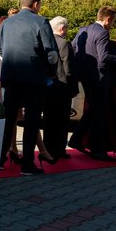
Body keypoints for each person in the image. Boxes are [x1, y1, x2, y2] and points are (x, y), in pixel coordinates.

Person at [0, 0, 58, 175]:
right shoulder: (41, 22)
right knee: (31, 120)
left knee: (8, 119)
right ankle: (27, 164)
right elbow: (52, 54)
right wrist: (51, 72)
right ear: (36, 4)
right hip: (33, 78)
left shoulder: (6, 23)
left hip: (10, 76)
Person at [69, 6, 116, 162]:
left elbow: (72, 48)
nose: (112, 25)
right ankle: (97, 150)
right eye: (113, 22)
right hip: (99, 79)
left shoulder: (82, 30)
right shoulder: (102, 33)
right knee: (100, 114)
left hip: (84, 77)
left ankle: (76, 139)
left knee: (93, 110)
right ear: (108, 19)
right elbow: (104, 57)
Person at [43, 16, 75, 160]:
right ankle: (59, 150)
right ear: (62, 28)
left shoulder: (45, 42)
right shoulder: (64, 44)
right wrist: (72, 88)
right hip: (62, 88)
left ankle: (47, 148)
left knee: (49, 119)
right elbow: (68, 68)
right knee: (62, 121)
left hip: (48, 86)